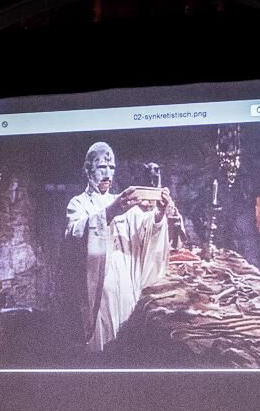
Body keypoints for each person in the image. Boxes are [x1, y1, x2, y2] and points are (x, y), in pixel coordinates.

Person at [65, 141, 177, 351]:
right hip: (100, 293)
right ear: (88, 169)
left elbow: (145, 228)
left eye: (111, 167)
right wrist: (109, 213)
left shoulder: (122, 201)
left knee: (128, 347)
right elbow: (75, 235)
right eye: (101, 167)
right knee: (103, 352)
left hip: (127, 286)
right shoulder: (78, 204)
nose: (107, 173)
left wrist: (159, 213)